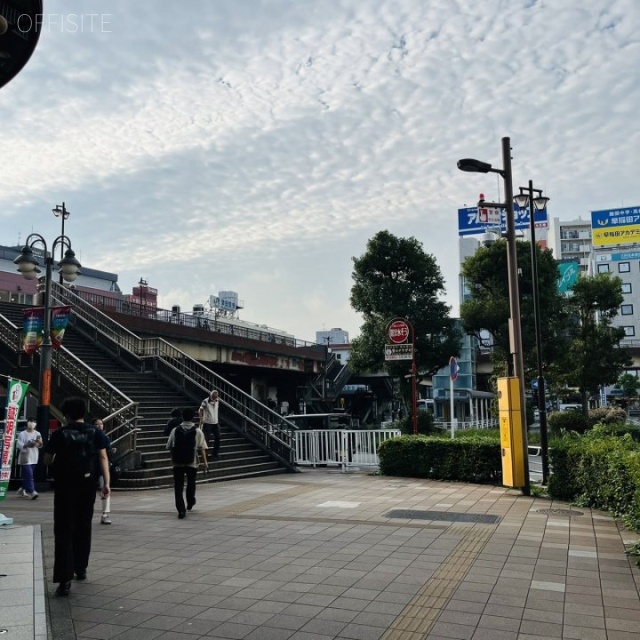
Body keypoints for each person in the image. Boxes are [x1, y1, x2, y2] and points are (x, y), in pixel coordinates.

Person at [43, 397, 110, 597]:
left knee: (63, 530)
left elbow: (47, 459)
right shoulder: (96, 432)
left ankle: (64, 580)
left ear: (66, 414)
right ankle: (81, 568)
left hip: (65, 488)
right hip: (87, 486)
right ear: (83, 413)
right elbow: (103, 457)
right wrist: (106, 483)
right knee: (83, 526)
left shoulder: (59, 434)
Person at [166, 407, 208, 519]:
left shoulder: (175, 430)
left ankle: (181, 510)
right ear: (193, 417)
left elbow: (169, 446)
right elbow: (202, 448)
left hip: (177, 462)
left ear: (182, 417)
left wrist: (173, 457)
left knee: (178, 486)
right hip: (191, 462)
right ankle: (190, 502)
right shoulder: (197, 431)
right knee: (191, 483)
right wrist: (205, 463)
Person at [92, 418, 115, 525]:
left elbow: (107, 454)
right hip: (91, 467)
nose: (99, 426)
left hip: (101, 469)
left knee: (105, 490)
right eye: (97, 424)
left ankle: (105, 514)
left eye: (101, 424)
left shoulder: (105, 437)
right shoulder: (89, 437)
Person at [16, 418, 43, 499]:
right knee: (29, 474)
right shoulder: (22, 434)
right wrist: (28, 445)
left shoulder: (37, 433)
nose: (32, 423)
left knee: (27, 475)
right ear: (27, 423)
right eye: (30, 422)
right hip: (25, 457)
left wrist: (39, 443)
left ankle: (22, 489)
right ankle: (32, 491)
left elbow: (40, 445)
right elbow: (19, 445)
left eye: (34, 422)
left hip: (34, 457)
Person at [198, 390, 220, 459]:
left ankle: (215, 454)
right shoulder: (205, 401)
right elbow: (200, 410)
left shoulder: (217, 400)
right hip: (207, 423)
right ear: (210, 395)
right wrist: (201, 419)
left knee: (218, 437)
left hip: (215, 422)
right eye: (213, 397)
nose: (214, 399)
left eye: (215, 398)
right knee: (207, 439)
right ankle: (205, 455)